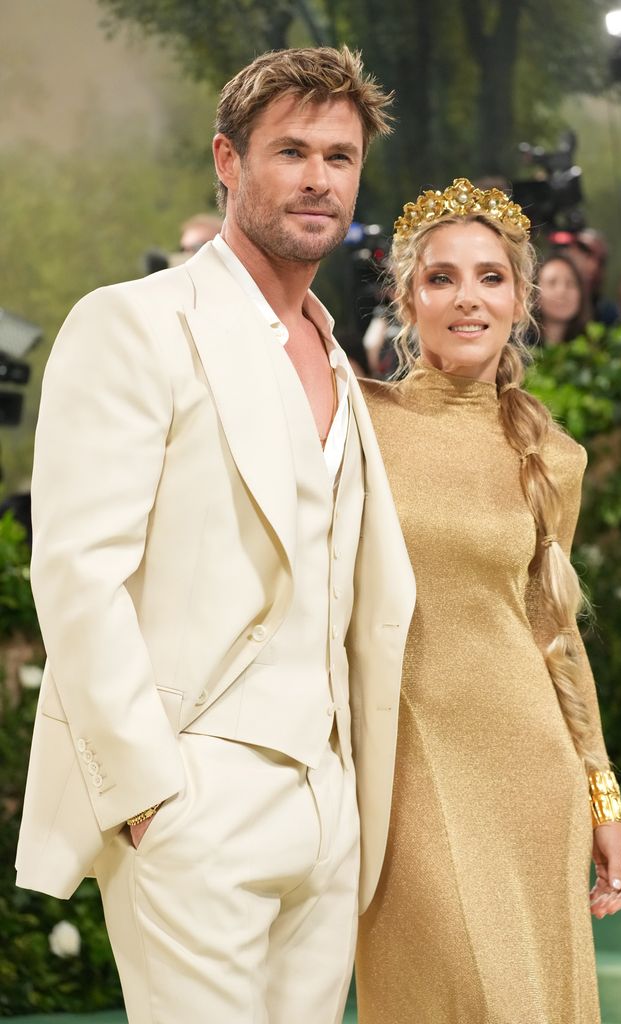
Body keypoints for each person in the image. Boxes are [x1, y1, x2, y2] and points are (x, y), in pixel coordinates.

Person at [16, 46, 415, 1024]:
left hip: (331, 802)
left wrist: (353, 800)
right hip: (197, 785)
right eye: (291, 150)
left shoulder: (344, 363)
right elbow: (76, 573)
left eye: (340, 156)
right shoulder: (134, 325)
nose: (319, 178)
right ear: (228, 162)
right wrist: (152, 791)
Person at [355, 178, 621, 1024]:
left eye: (490, 277)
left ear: (521, 300)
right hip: (403, 770)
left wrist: (603, 799)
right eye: (441, 278)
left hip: (529, 770)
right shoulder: (354, 421)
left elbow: (554, 633)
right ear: (408, 298)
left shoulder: (553, 455)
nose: (466, 298)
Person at [535, 250, 588, 345]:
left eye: (570, 283)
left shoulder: (593, 348)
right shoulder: (518, 350)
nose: (562, 291)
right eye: (552, 282)